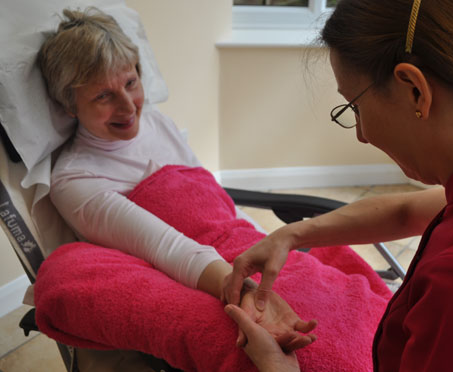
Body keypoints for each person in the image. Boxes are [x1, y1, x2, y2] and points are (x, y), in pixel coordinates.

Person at [34, 7, 393, 372]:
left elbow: (211, 199)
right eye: (102, 96)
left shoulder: (156, 122)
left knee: (371, 316)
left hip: (245, 252)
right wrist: (255, 295)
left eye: (130, 83)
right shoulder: (75, 181)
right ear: (69, 104)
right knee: (322, 355)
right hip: (209, 279)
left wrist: (266, 251)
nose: (128, 107)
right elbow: (166, 248)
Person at [224, 0, 453, 371]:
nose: (362, 135)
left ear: (414, 89)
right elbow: (406, 211)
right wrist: (290, 236)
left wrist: (277, 369)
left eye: (354, 106)